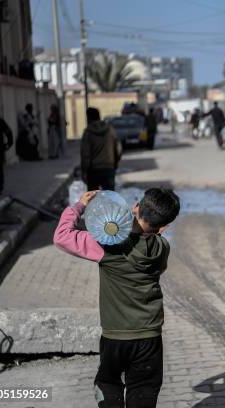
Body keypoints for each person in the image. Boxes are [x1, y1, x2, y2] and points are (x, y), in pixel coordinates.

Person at [53, 187, 180, 408]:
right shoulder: (162, 248)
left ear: (135, 207)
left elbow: (61, 237)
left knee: (108, 384)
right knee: (143, 391)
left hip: (115, 335)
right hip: (149, 335)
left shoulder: (107, 245)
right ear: (165, 226)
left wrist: (80, 206)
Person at [81, 107, 122, 191]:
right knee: (110, 198)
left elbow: (85, 154)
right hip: (108, 168)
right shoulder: (110, 130)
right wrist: (115, 164)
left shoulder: (88, 132)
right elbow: (118, 149)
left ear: (89, 117)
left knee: (93, 199)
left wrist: (84, 171)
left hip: (93, 171)